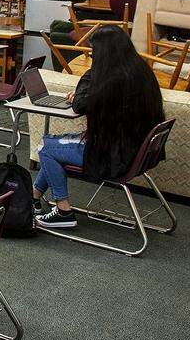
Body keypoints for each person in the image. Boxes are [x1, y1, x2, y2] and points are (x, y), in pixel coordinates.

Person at [34, 25, 165, 229]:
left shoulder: (112, 81)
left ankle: (63, 211)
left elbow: (80, 105)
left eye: (94, 54)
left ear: (105, 55)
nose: (92, 58)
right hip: (136, 152)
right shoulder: (141, 72)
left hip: (112, 157)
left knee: (45, 147)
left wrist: (88, 79)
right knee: (53, 143)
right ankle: (33, 198)